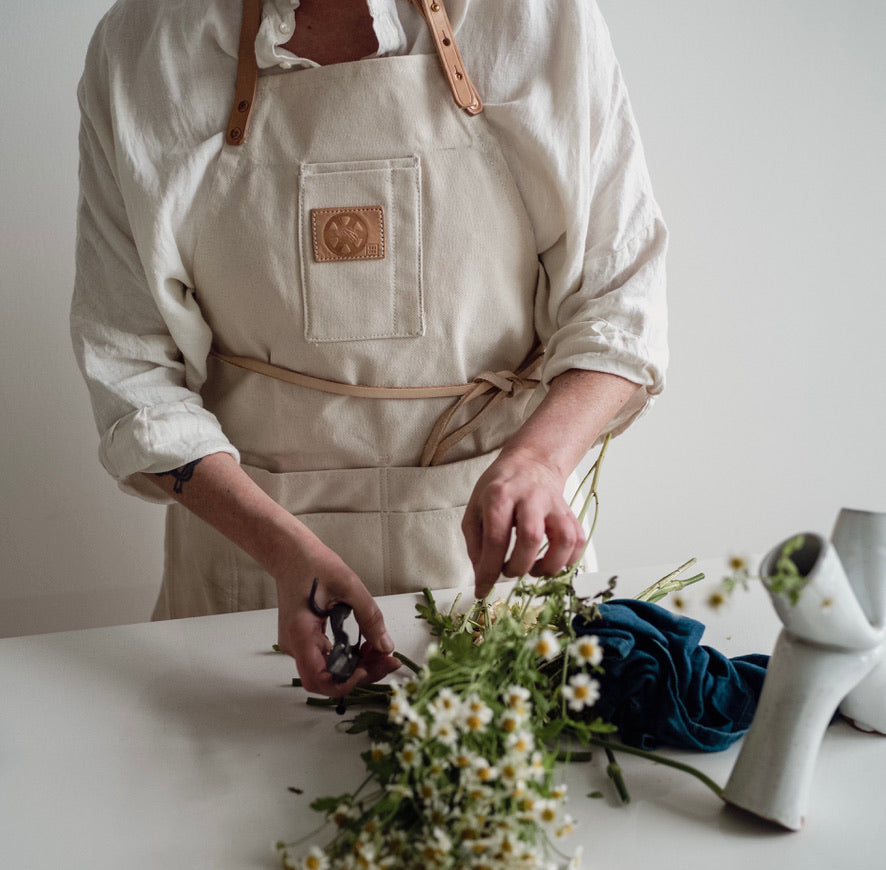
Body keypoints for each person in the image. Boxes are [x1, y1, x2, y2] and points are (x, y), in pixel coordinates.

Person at [71, 0, 668, 697]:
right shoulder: (145, 44)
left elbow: (622, 301)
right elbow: (130, 365)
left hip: (493, 571)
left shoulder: (539, 19)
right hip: (248, 586)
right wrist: (280, 547)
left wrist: (538, 463)